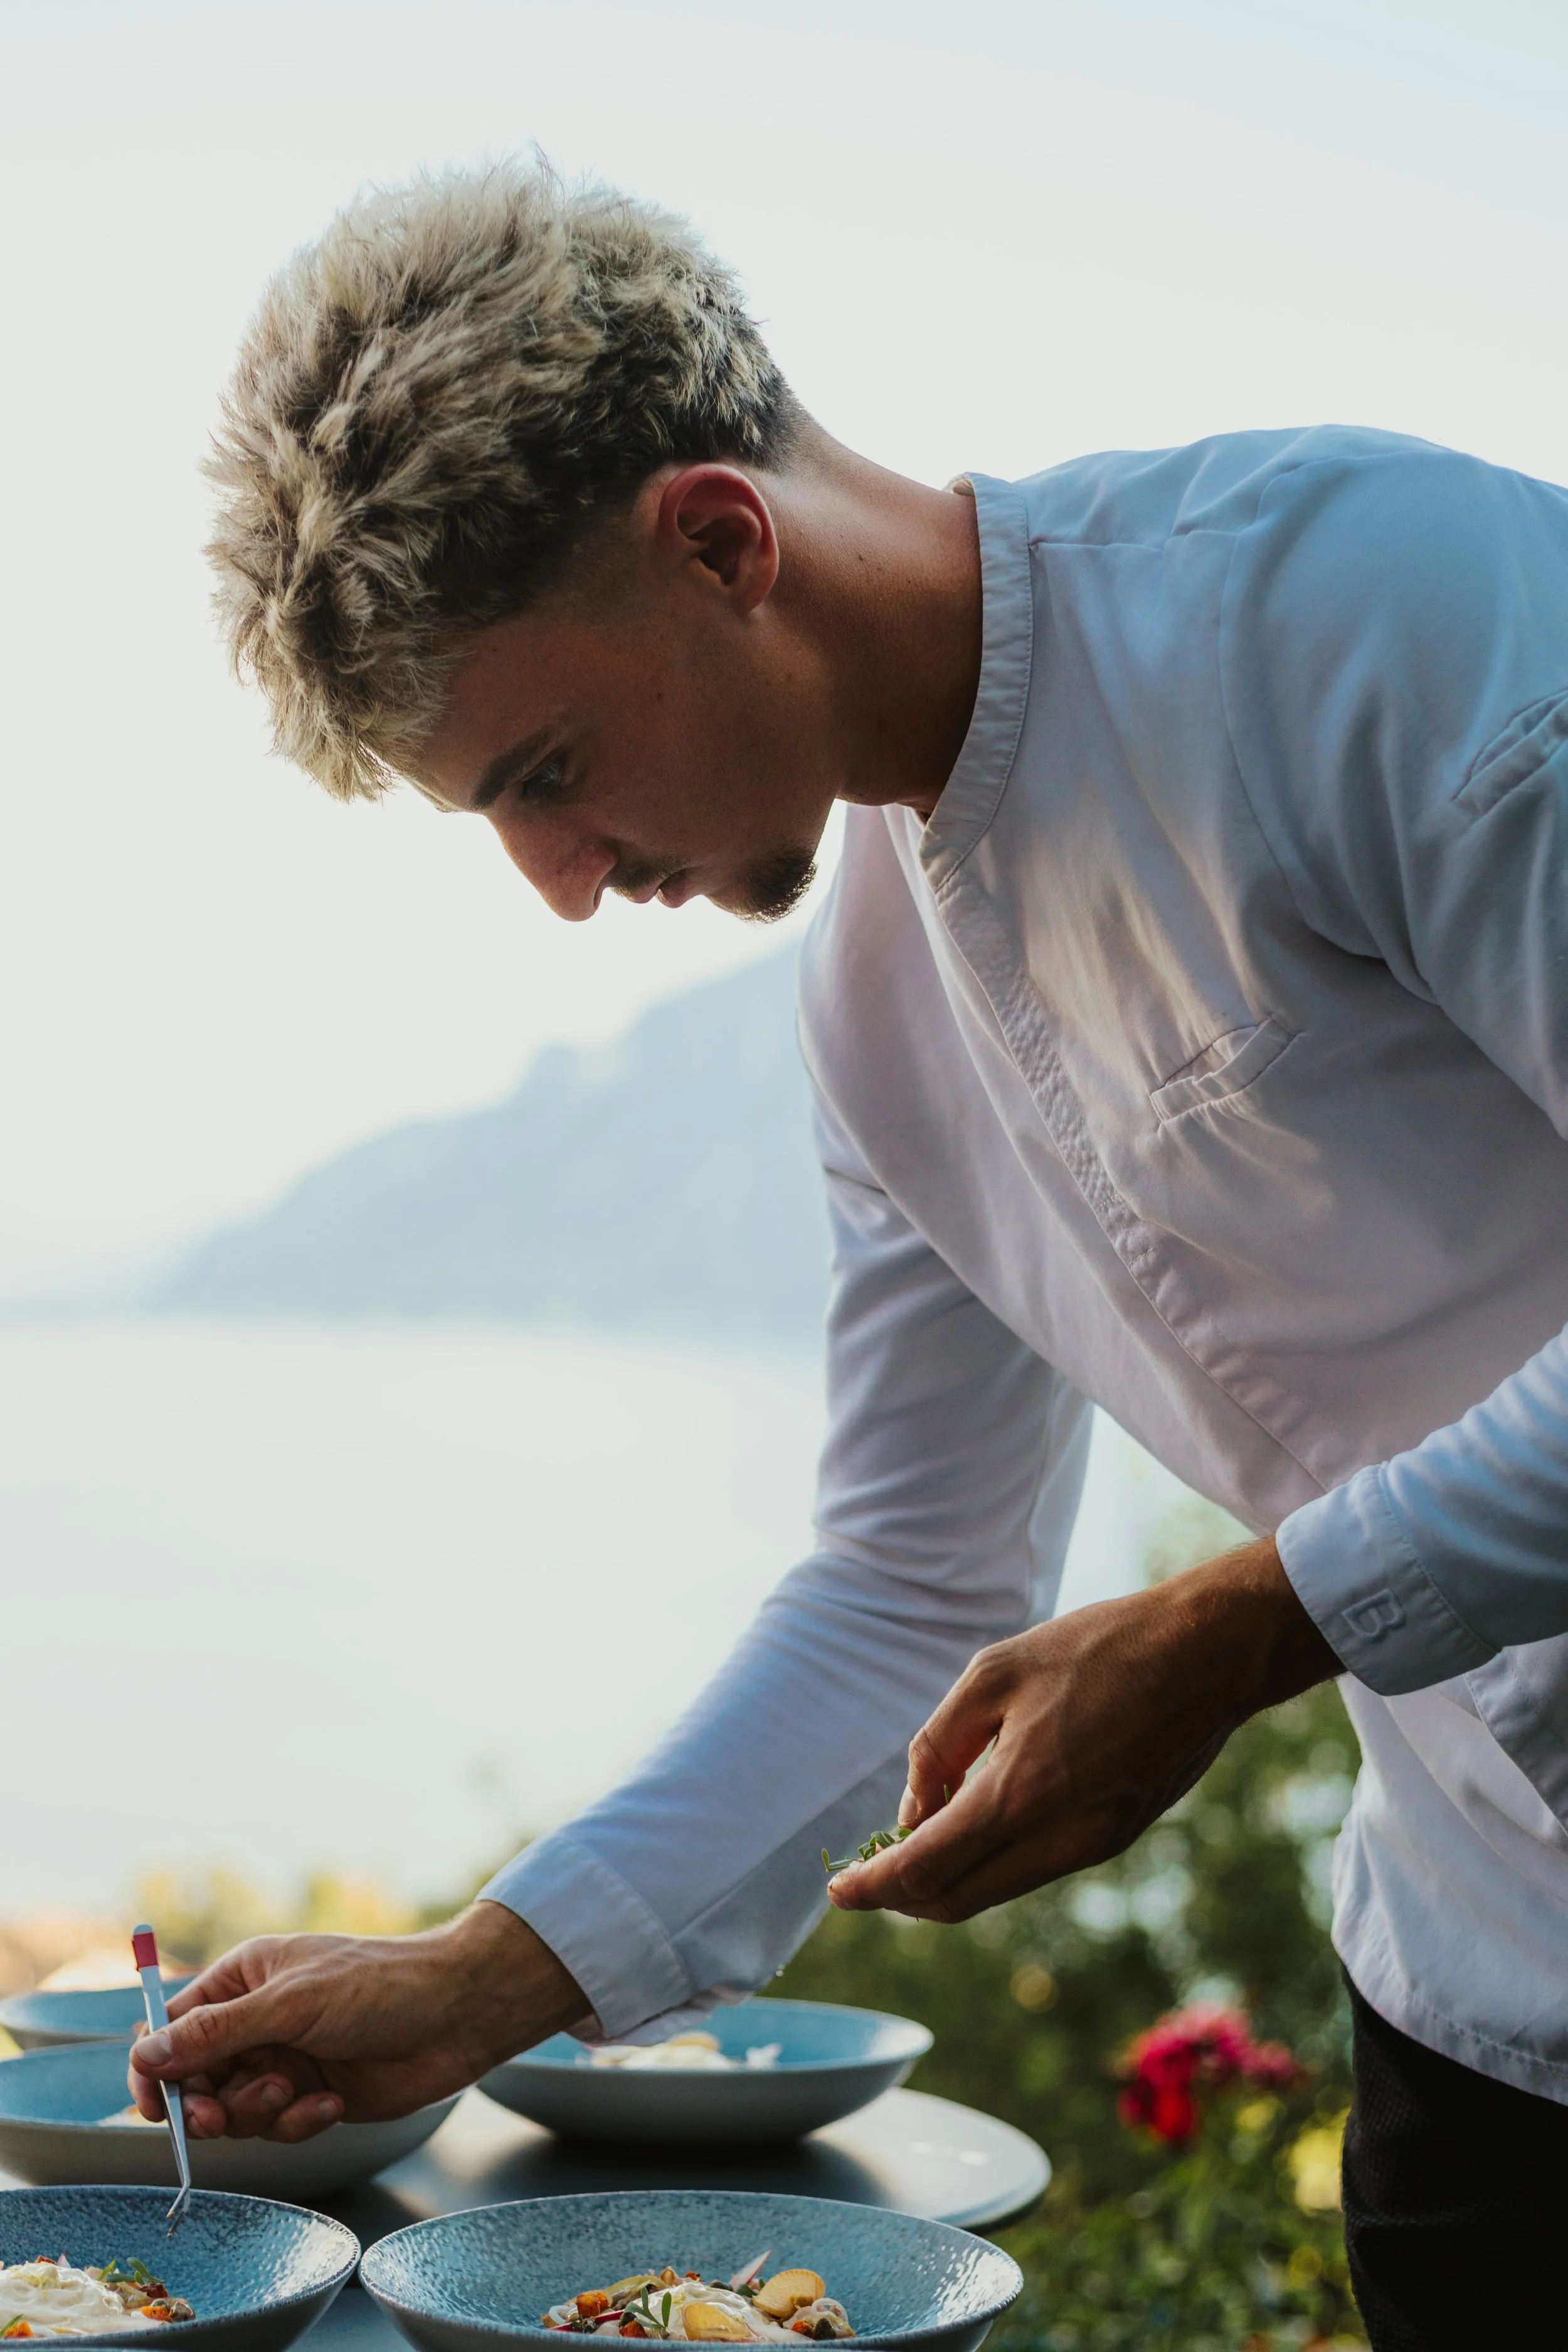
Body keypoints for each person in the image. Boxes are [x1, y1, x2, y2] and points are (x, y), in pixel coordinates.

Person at [129, 161, 1568, 2347]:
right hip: (1474, 2028)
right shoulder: (866, 1001)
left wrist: (1242, 1618)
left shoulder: (1367, 610)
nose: (560, 882)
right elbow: (912, 1578)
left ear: (721, 541)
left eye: (551, 766)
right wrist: (478, 1975)